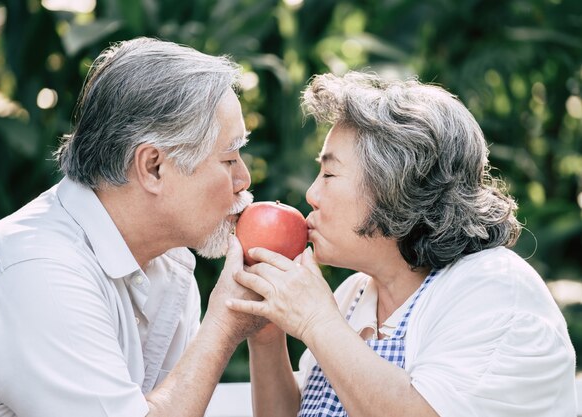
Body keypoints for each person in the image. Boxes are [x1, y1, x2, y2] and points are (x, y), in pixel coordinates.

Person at [226, 72, 578, 416]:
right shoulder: (355, 295)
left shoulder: (495, 291)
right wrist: (267, 335)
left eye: (330, 174)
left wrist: (317, 322)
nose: (312, 194)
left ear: (396, 188)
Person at [0, 37, 265, 417]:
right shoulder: (38, 270)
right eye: (230, 158)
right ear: (153, 166)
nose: (244, 179)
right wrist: (224, 325)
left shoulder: (169, 264)